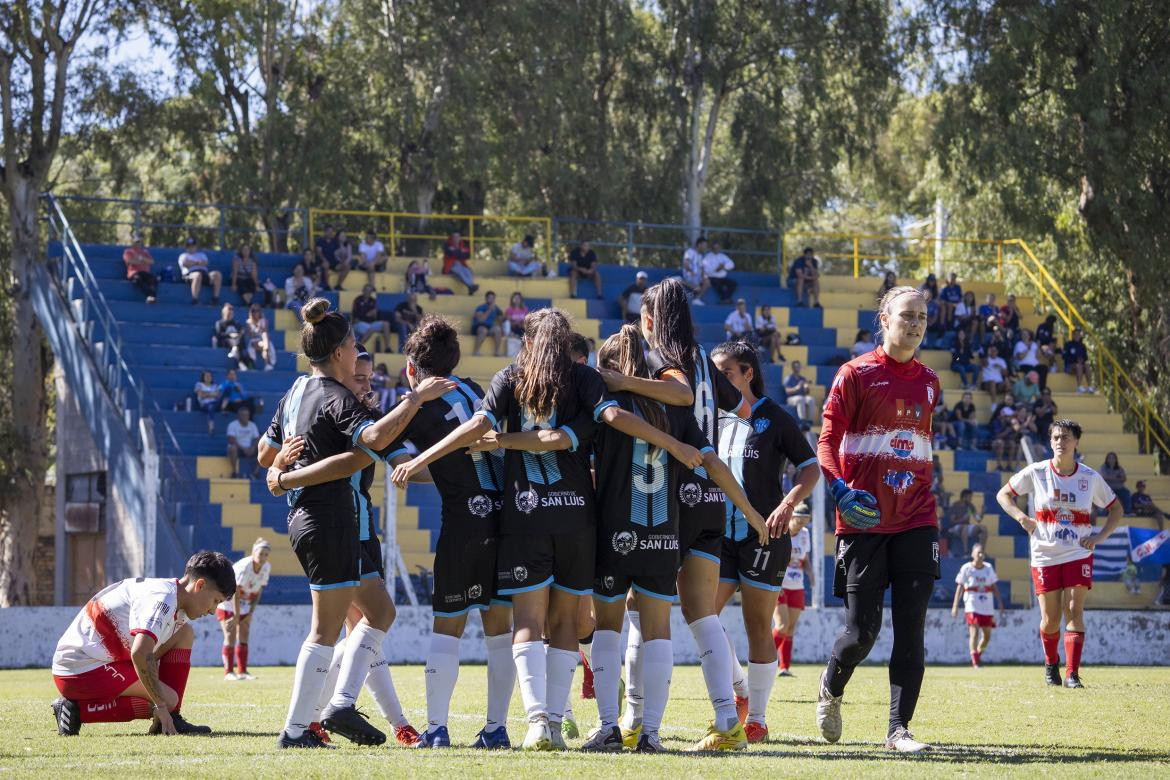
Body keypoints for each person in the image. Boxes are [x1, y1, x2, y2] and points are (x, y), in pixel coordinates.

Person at [390, 308, 692, 751]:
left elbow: (479, 426)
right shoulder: (584, 379)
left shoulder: (511, 377)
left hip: (524, 513)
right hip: (577, 517)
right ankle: (554, 716)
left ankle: (539, 726)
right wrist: (673, 443)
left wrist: (422, 458)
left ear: (528, 342)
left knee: (528, 620)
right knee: (566, 621)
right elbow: (609, 421)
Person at [261, 298, 455, 748]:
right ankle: (298, 729)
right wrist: (415, 400)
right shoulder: (335, 396)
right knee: (325, 631)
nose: (356, 353)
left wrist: (279, 469)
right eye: (352, 345)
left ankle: (339, 705)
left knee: (381, 612)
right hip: (327, 519)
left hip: (327, 520)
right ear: (339, 352)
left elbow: (263, 453)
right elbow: (370, 440)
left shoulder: (295, 392)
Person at [581, 326, 771, 753]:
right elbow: (715, 464)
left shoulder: (606, 399)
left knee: (610, 627)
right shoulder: (677, 412)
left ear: (611, 367)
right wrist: (749, 511)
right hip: (663, 533)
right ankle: (649, 733)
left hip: (616, 530)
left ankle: (612, 726)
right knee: (658, 629)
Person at [815, 285, 942, 754]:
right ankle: (831, 687)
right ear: (884, 320)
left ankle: (898, 730)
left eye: (922, 317)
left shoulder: (930, 381)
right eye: (907, 315)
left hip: (917, 517)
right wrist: (838, 488)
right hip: (864, 520)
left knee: (912, 627)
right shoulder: (855, 375)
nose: (915, 324)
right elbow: (826, 441)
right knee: (860, 633)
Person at [711, 341, 819, 744]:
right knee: (701, 614)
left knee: (758, 624)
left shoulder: (774, 417)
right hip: (717, 536)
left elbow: (810, 467)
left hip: (766, 537)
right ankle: (739, 688)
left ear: (747, 373)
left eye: (726, 373)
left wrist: (789, 503)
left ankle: (756, 718)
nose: (719, 380)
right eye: (715, 373)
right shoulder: (711, 419)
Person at [996, 419, 1123, 689]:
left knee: (1075, 609)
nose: (1059, 442)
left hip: (1078, 553)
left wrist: (1099, 538)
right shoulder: (1037, 472)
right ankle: (1051, 663)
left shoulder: (1089, 477)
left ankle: (1072, 674)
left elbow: (1116, 509)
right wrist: (1021, 517)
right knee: (1050, 619)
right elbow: (1004, 495)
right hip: (1044, 555)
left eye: (1065, 437)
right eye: (1055, 437)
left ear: (1076, 442)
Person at [50, 551, 234, 736]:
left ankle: (172, 719)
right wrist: (160, 705)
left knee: (184, 634)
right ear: (200, 585)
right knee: (167, 700)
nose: (213, 611)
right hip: (78, 668)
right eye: (215, 601)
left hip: (105, 659)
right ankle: (74, 711)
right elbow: (140, 653)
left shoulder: (176, 598)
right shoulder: (162, 599)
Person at [218, 539, 271, 681]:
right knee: (230, 635)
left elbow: (259, 590)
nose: (263, 557)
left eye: (266, 554)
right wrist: (236, 615)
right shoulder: (244, 566)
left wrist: (250, 612)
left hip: (245, 604)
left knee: (244, 635)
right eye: (261, 553)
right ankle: (228, 672)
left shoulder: (266, 567)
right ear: (254, 552)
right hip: (228, 602)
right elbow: (235, 592)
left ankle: (242, 671)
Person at [774, 502, 813, 677]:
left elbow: (804, 559)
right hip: (780, 585)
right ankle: (761, 659)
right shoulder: (781, 532)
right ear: (792, 516)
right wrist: (775, 582)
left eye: (805, 520)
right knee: (782, 626)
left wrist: (810, 574)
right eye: (799, 519)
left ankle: (784, 667)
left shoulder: (805, 534)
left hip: (797, 586)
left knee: (790, 628)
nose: (801, 523)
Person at [950, 544, 1004, 668]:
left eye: (982, 553)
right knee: (974, 632)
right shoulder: (966, 568)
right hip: (972, 604)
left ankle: (977, 655)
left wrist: (1000, 603)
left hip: (987, 606)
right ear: (972, 554)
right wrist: (955, 606)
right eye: (978, 553)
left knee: (987, 636)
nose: (981, 555)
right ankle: (975, 662)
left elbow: (994, 587)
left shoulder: (988, 568)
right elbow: (960, 587)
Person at [179, 237, 222, 305]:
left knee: (217, 274)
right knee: (197, 275)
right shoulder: (183, 255)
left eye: (193, 246)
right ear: (186, 247)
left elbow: (205, 263)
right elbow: (185, 264)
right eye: (189, 246)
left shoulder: (202, 254)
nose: (191, 247)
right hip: (189, 275)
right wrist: (198, 263)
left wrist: (192, 263)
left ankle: (215, 299)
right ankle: (195, 299)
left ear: (196, 246)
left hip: (204, 273)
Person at [350, 284, 390, 353]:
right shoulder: (357, 300)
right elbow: (355, 316)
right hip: (359, 323)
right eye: (366, 290)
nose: (368, 292)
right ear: (363, 291)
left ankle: (387, 348)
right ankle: (357, 347)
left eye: (369, 291)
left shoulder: (373, 301)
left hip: (371, 323)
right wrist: (367, 315)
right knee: (371, 329)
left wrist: (375, 314)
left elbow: (375, 316)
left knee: (386, 324)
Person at [226, 406, 261, 479]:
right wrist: (244, 449)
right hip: (238, 449)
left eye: (247, 415)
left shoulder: (252, 425)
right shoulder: (232, 425)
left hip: (249, 449)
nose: (245, 417)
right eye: (243, 415)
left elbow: (258, 439)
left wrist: (253, 448)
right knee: (232, 448)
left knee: (265, 448)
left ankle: (255, 473)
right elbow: (231, 440)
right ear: (239, 416)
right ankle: (234, 472)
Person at [123, 232, 157, 304]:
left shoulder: (145, 252)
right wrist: (143, 261)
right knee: (137, 279)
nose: (138, 243)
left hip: (145, 272)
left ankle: (150, 296)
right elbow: (130, 261)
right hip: (134, 273)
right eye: (136, 242)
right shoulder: (128, 252)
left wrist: (141, 259)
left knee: (153, 279)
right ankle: (150, 295)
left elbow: (151, 262)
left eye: (139, 242)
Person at [244, 304, 277, 370]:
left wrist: (260, 328)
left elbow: (265, 331)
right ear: (251, 312)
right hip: (253, 341)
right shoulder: (248, 322)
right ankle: (267, 360)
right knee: (265, 340)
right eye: (254, 311)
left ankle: (267, 363)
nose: (256, 313)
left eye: (257, 311)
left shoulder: (263, 321)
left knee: (265, 337)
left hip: (262, 341)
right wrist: (258, 330)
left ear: (260, 312)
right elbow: (251, 335)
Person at [472, 291, 505, 357]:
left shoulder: (496, 308)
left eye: (493, 298)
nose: (491, 299)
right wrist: (489, 309)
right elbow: (481, 319)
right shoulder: (480, 307)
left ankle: (497, 351)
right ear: (486, 298)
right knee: (484, 330)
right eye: (489, 298)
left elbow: (501, 319)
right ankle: (476, 351)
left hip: (490, 327)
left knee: (498, 329)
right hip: (479, 327)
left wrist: (501, 317)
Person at [680, 237, 710, 304]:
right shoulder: (690, 252)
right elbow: (686, 263)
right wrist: (691, 271)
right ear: (699, 245)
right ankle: (680, 281)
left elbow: (702, 269)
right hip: (689, 277)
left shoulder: (701, 256)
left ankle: (697, 299)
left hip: (697, 279)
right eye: (704, 245)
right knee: (698, 288)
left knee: (707, 282)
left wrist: (704, 277)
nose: (706, 247)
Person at [1063, 329, 1094, 394]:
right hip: (1069, 366)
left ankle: (1089, 387)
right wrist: (1075, 360)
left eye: (1079, 334)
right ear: (1073, 335)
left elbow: (1086, 358)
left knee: (1087, 365)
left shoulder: (1082, 346)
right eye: (1076, 334)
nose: (1077, 336)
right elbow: (1064, 357)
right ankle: (1079, 387)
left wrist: (1082, 359)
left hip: (1080, 365)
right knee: (1078, 365)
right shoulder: (1068, 344)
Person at [194, 370, 220, 434]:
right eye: (206, 376)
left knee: (213, 405)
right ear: (203, 377)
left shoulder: (215, 386)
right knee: (210, 406)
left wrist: (206, 394)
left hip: (215, 404)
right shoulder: (199, 384)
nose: (208, 377)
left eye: (209, 376)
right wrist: (212, 394)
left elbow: (217, 395)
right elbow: (200, 395)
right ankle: (211, 425)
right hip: (204, 405)